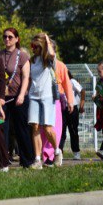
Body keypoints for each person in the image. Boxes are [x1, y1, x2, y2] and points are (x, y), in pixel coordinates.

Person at [0, 27, 32, 168]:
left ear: (17, 39)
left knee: (21, 130)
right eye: (5, 37)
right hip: (2, 98)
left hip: (18, 98)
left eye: (10, 37)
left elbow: (26, 77)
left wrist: (21, 95)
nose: (7, 39)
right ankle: (3, 160)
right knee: (0, 129)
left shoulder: (23, 56)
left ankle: (27, 160)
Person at [25, 33, 60, 169]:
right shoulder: (31, 61)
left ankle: (57, 151)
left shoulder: (49, 60)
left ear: (41, 46)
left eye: (35, 46)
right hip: (33, 96)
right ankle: (37, 159)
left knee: (47, 128)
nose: (32, 48)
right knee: (34, 126)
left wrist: (47, 41)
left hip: (47, 96)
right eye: (31, 46)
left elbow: (51, 53)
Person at [63, 66, 85, 160]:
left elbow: (82, 91)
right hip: (61, 109)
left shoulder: (72, 81)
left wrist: (81, 105)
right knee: (61, 131)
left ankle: (76, 152)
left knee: (73, 130)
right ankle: (59, 152)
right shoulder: (58, 83)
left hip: (72, 109)